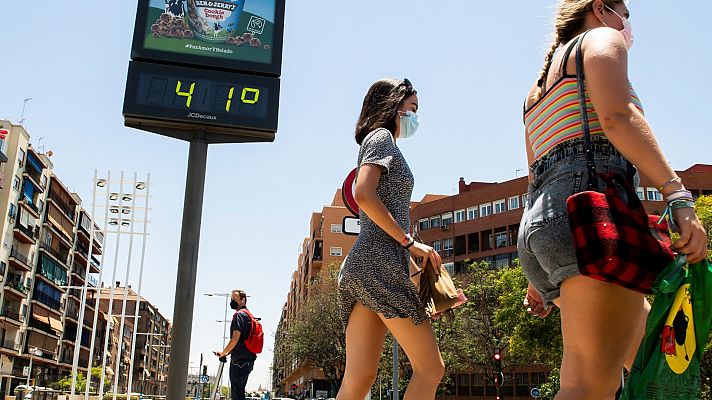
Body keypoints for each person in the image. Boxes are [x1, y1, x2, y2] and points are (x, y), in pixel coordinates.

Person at [518, 1, 708, 398]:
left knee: (658, 363)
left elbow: (536, 175)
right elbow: (617, 117)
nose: (628, 23)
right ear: (601, 9)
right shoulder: (600, 39)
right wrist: (677, 195)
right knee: (587, 386)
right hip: (592, 223)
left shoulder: (536, 91)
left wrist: (542, 272)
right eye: (625, 10)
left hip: (545, 229)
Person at [336, 78, 445, 400]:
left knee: (359, 378)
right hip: (378, 267)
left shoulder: (380, 142)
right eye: (412, 108)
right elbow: (364, 194)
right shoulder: (381, 137)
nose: (415, 117)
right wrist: (411, 243)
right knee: (431, 368)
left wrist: (414, 266)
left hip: (364, 268)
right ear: (394, 105)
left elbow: (381, 217)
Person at [216, 289, 257, 400]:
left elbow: (235, 339)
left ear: (243, 300)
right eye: (231, 299)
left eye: (235, 299)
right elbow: (241, 341)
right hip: (248, 360)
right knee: (239, 392)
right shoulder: (249, 315)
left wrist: (223, 352)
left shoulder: (239, 315)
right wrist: (226, 353)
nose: (232, 301)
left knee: (237, 395)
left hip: (239, 362)